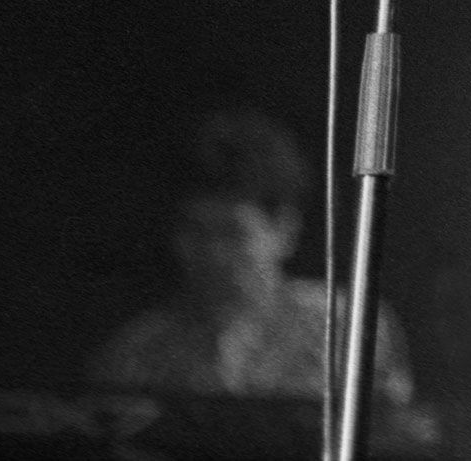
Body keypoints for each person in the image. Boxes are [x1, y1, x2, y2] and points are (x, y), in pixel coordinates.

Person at [88, 108, 416, 410]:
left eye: (232, 233)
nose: (213, 253)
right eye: (195, 232)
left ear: (285, 231)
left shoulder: (347, 327)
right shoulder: (137, 352)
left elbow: (396, 438)